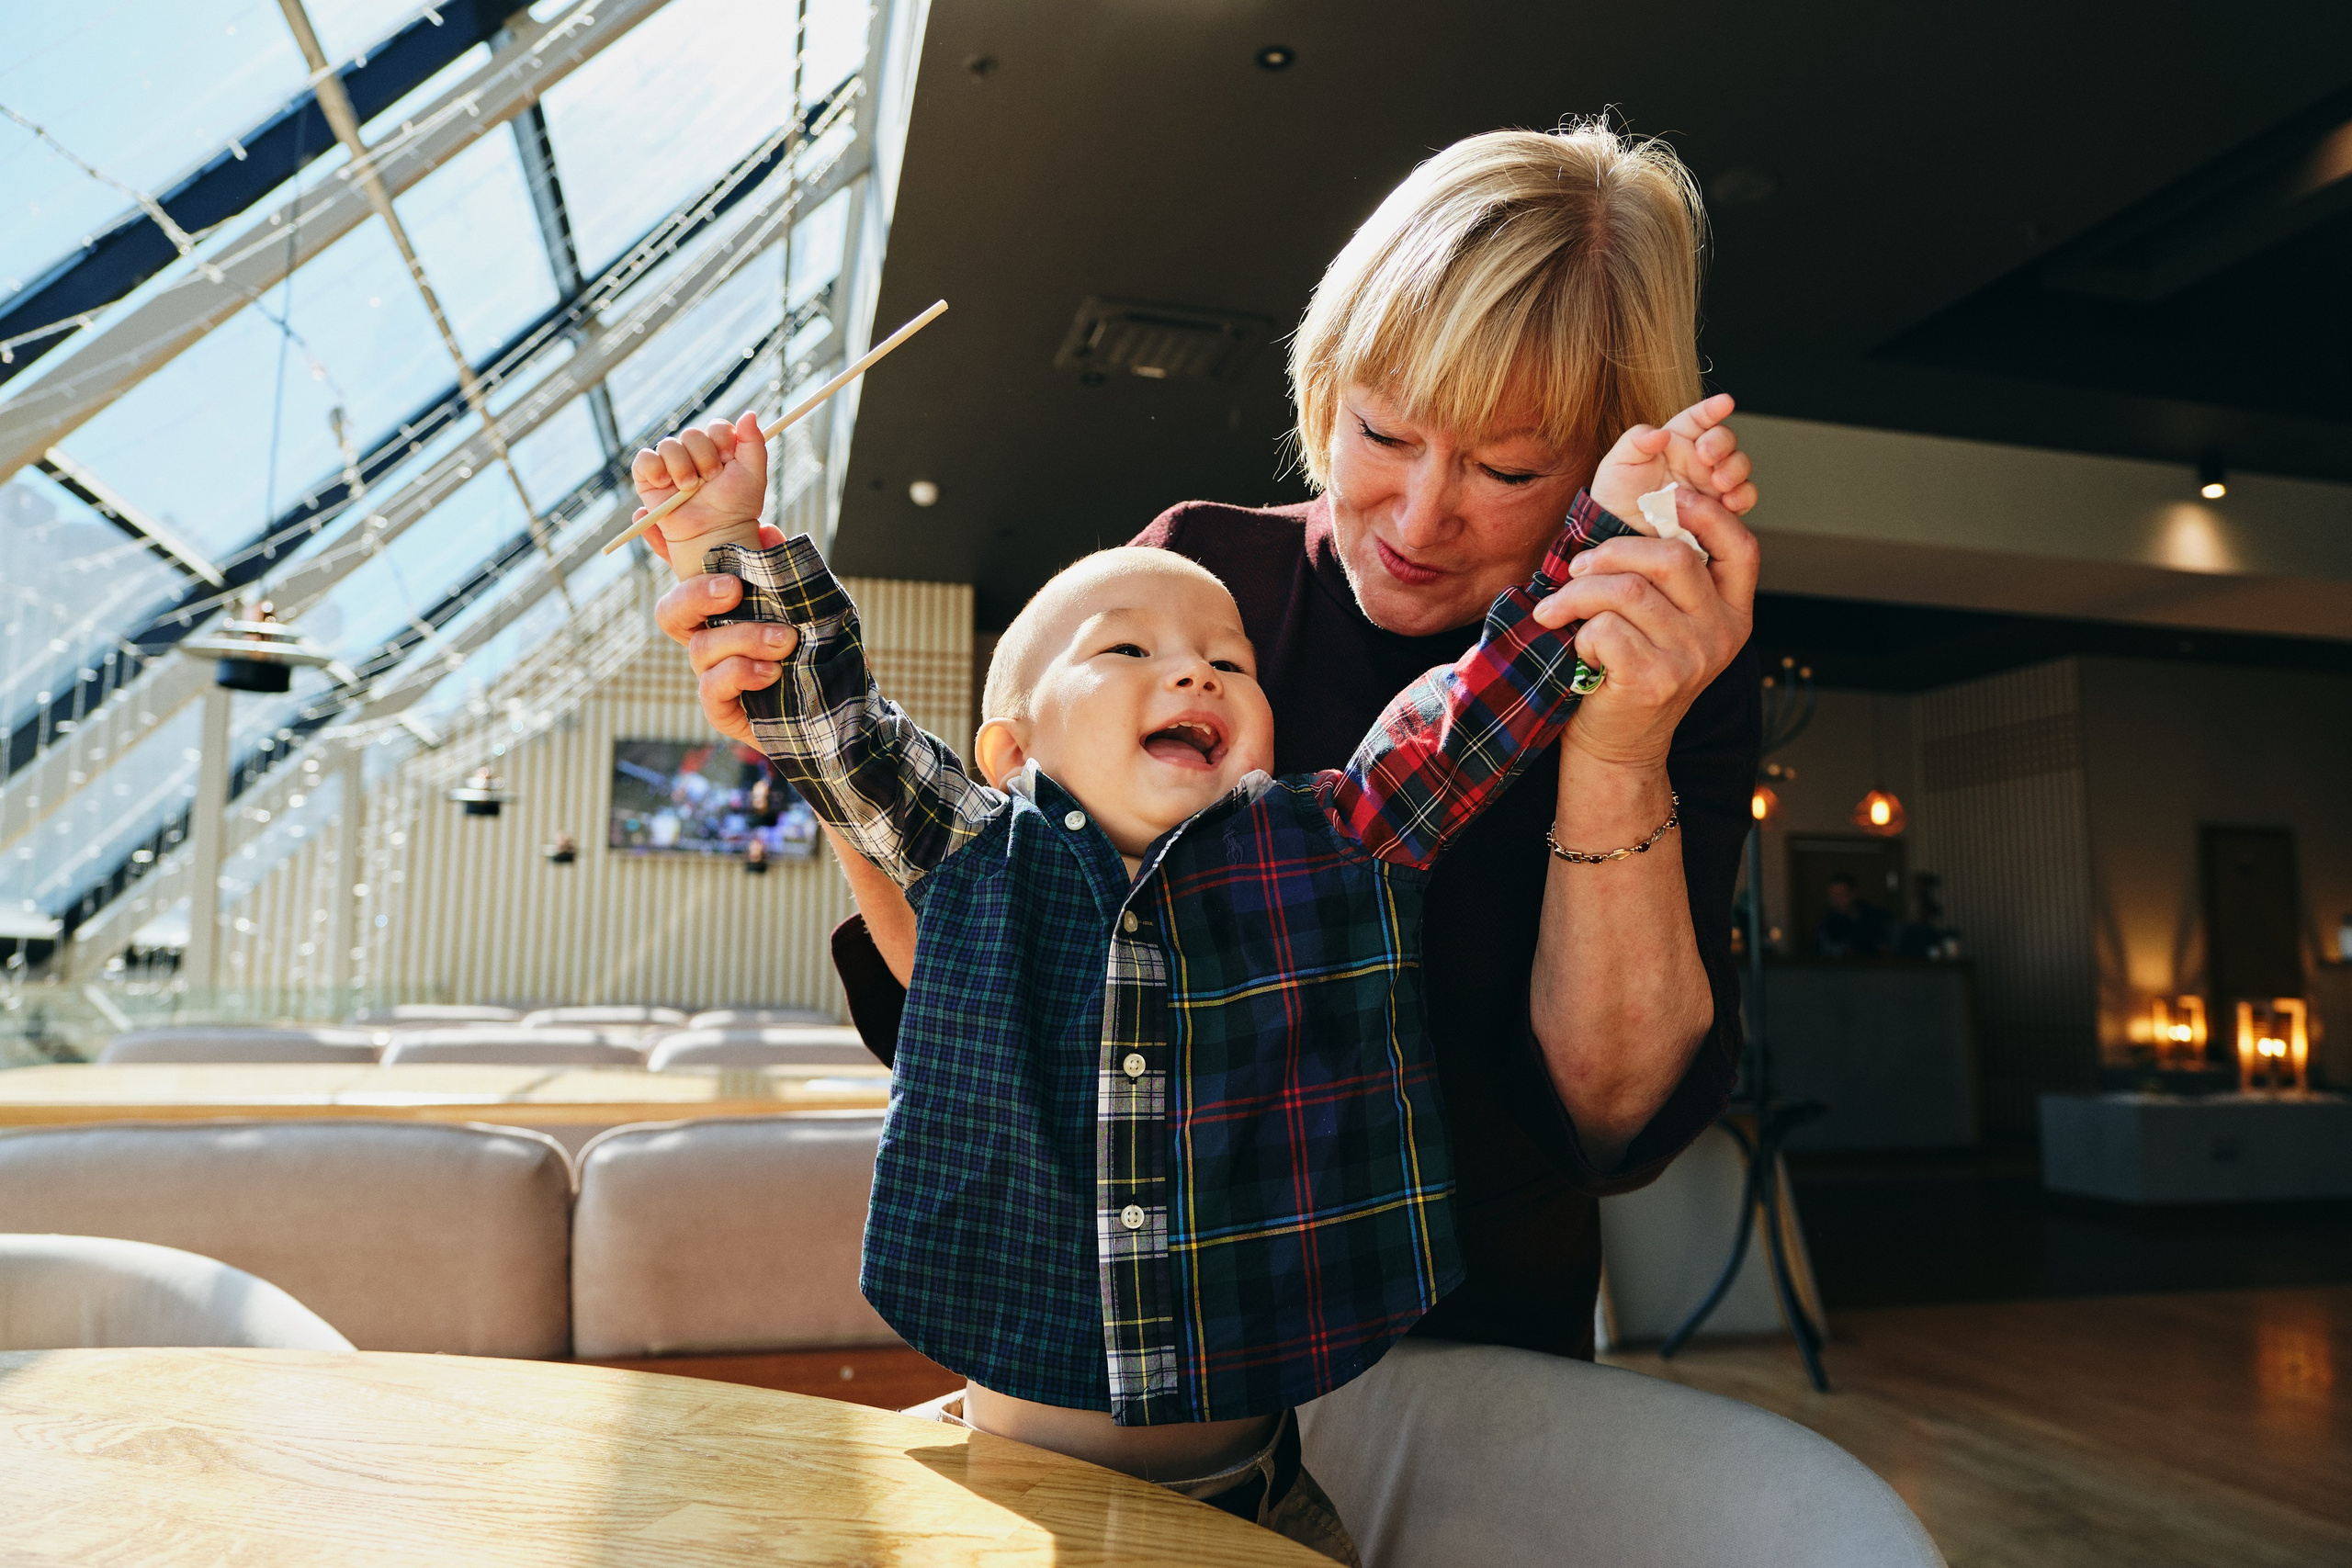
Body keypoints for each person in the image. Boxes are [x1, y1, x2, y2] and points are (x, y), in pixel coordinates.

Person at [656, 122, 1760, 1412]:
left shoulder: (1642, 649)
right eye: (1382, 433)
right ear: (1325, 378)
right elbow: (991, 952)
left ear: (1590, 462)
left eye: (1508, 469)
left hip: (1464, 1347)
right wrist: (784, 692)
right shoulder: (1188, 581)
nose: (1416, 517)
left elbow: (1613, 1119)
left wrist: (1618, 723)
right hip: (1098, 1333)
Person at [631, 390, 1712, 1554]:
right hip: (993, 1486)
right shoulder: (973, 848)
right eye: (1130, 652)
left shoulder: (1338, 839)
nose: (1195, 677)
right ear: (1014, 749)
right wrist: (719, 541)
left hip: (1262, 1501)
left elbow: (1483, 700)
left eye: (1228, 662)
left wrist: (1607, 526)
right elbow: (828, 721)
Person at [1816, 873, 1893, 958]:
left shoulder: (1875, 917)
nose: (1836, 900)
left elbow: (1886, 946)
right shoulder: (1828, 922)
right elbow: (1825, 950)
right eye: (1833, 895)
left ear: (1853, 893)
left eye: (1841, 895)